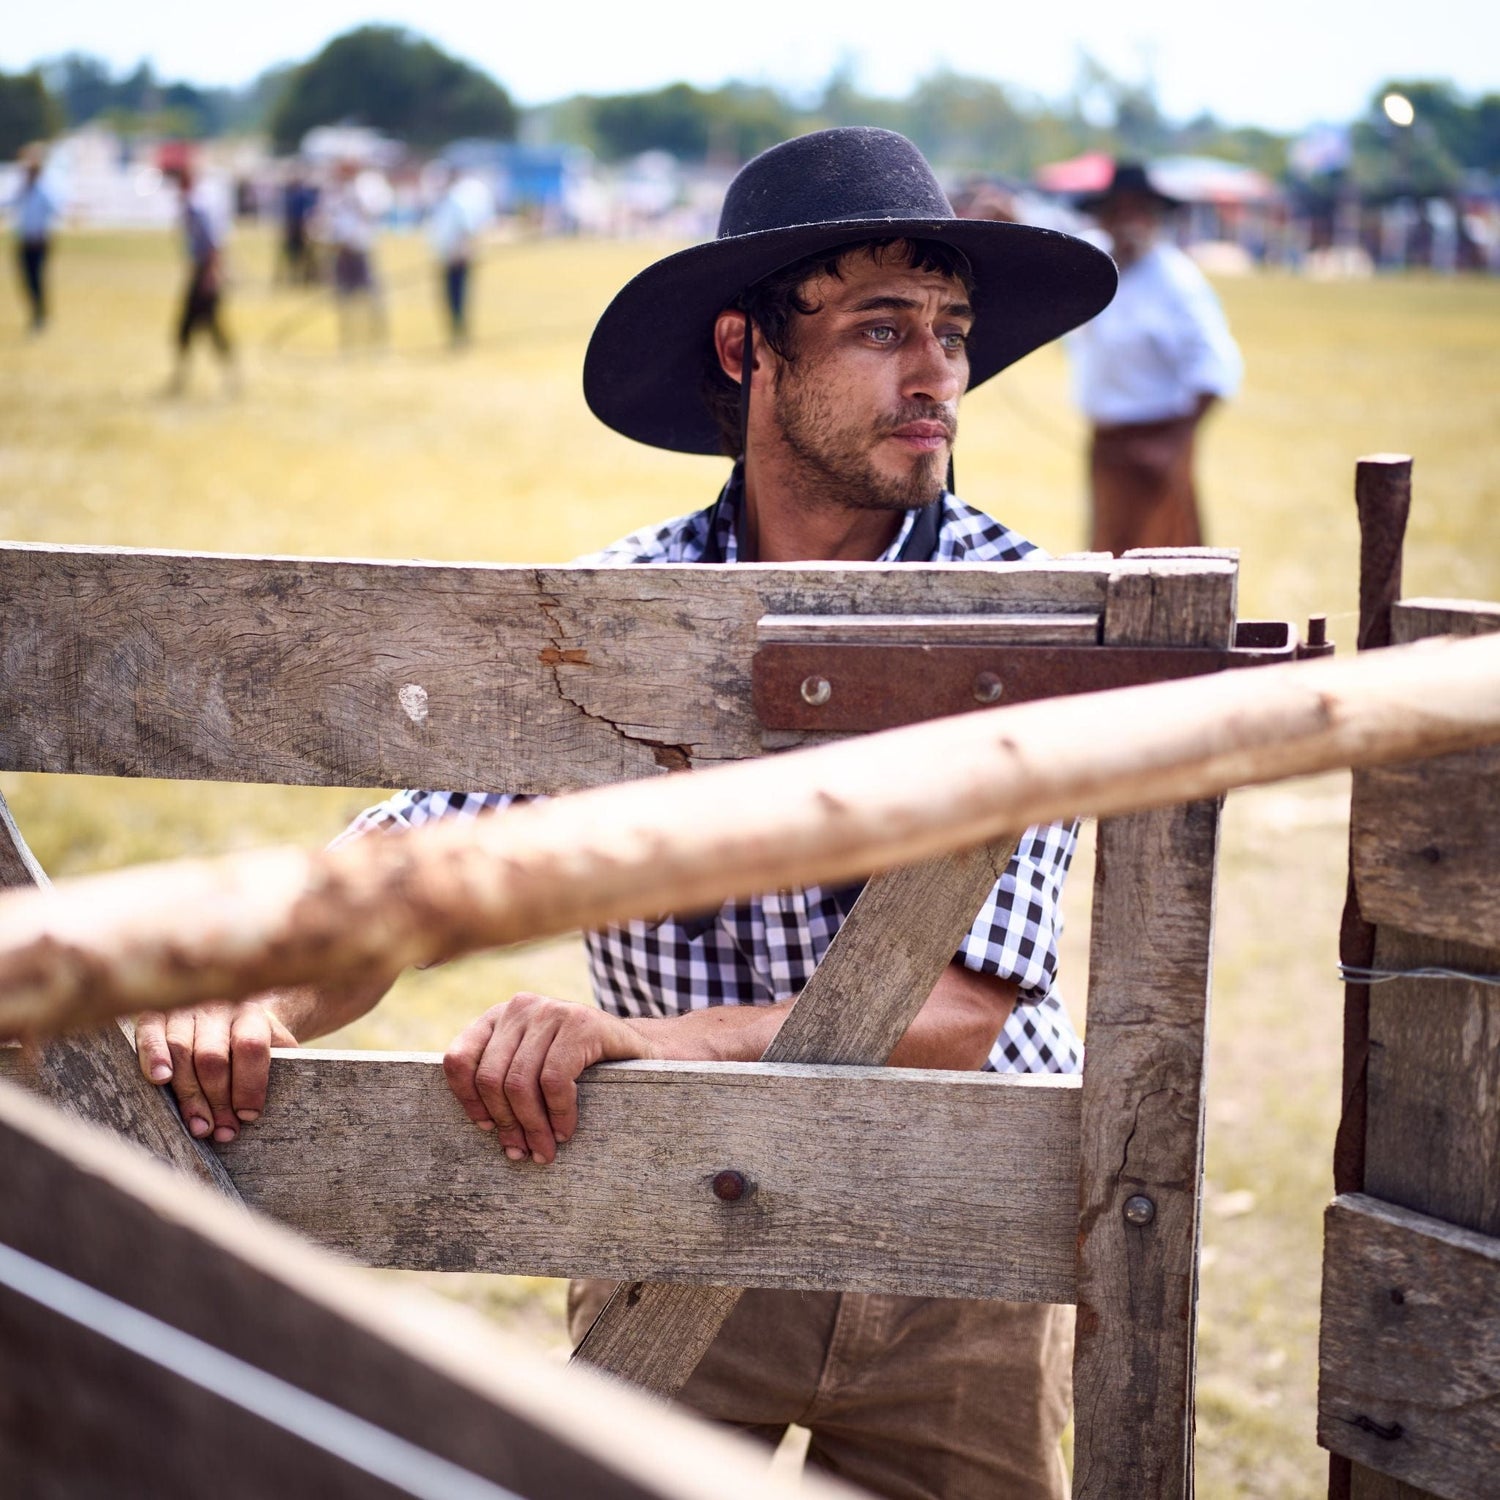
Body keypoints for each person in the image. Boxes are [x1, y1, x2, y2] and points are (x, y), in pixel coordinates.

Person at [135, 128, 1116, 1500]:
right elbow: (424, 854)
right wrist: (256, 999)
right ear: (744, 350)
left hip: (950, 1245)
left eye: (951, 330)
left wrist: (622, 1043)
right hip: (669, 1213)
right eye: (882, 327)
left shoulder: (1021, 613)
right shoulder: (617, 610)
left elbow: (960, 1012)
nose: (937, 371)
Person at [1066, 160, 1242, 554]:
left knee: (1162, 559)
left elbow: (1216, 369)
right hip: (1107, 443)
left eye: (1137, 212)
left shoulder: (1176, 280)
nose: (1127, 222)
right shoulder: (1097, 271)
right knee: (1107, 557)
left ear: (1154, 218)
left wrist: (1174, 441)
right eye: (1117, 211)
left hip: (1157, 443)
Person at [166, 166, 237, 396]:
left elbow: (213, 244)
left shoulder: (198, 207)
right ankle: (182, 377)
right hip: (200, 271)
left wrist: (211, 275)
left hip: (205, 273)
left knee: (207, 328)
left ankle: (230, 378)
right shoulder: (191, 205)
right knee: (191, 329)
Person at [426, 166, 491, 346]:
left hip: (457, 259)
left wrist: (463, 251)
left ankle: (460, 334)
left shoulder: (457, 201)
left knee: (457, 298)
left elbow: (467, 229)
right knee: (448, 298)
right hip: (445, 258)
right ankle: (455, 333)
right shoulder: (444, 201)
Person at [11, 157, 60, 334]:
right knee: (26, 280)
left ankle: (40, 315)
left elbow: (56, 209)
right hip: (23, 241)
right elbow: (9, 202)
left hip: (39, 242)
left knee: (37, 279)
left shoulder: (44, 192)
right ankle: (36, 313)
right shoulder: (23, 190)